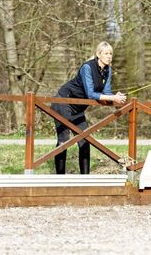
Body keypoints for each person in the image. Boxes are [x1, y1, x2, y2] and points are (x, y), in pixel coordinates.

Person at [50, 41, 126, 174]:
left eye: (111, 54)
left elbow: (106, 93)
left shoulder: (108, 70)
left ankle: (85, 178)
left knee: (85, 141)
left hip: (78, 109)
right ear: (98, 55)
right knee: (64, 141)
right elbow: (91, 93)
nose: (109, 56)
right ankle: (59, 178)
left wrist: (115, 96)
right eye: (106, 53)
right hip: (62, 102)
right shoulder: (87, 67)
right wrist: (112, 98)